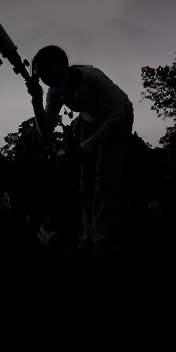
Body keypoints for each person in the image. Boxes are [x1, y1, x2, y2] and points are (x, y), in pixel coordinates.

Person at [27, 45, 134, 260]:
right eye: (42, 75)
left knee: (105, 180)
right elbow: (45, 129)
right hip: (89, 119)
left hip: (118, 116)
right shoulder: (54, 91)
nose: (47, 78)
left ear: (63, 65)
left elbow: (117, 115)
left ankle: (103, 242)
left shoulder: (92, 78)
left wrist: (85, 148)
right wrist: (36, 100)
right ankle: (87, 238)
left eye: (49, 71)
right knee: (85, 183)